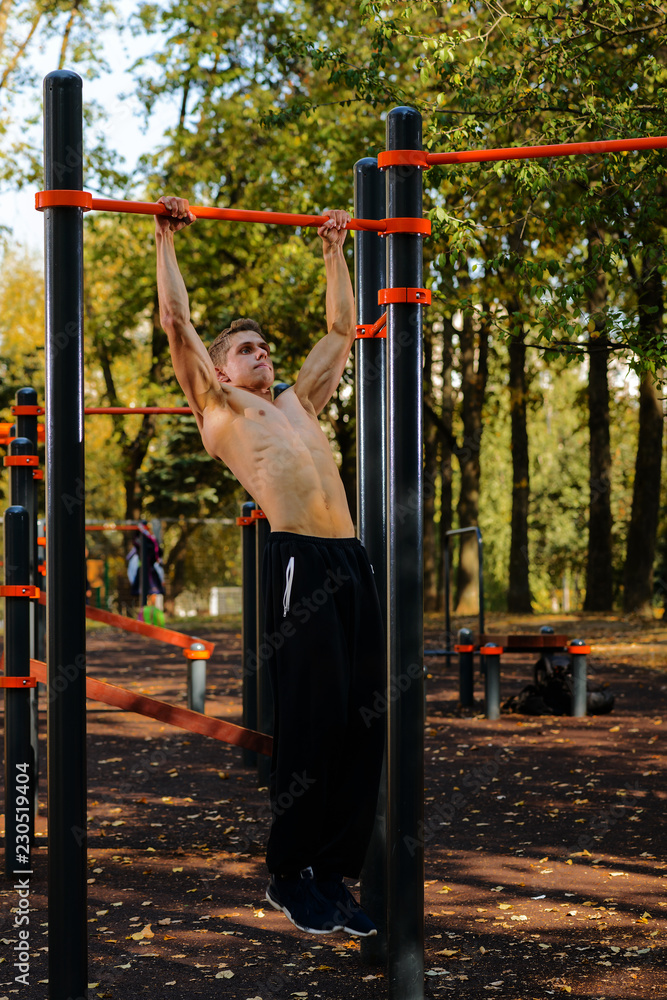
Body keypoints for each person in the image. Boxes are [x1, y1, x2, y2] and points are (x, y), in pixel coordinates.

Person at [154, 196, 385, 937]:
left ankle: (331, 874)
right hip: (300, 564)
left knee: (361, 722)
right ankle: (288, 874)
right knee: (312, 721)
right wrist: (165, 238)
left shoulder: (301, 402)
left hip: (350, 560)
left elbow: (341, 329)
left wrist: (331, 246)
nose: (261, 353)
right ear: (221, 369)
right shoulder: (219, 408)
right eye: (246, 349)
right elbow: (175, 324)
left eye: (263, 346)